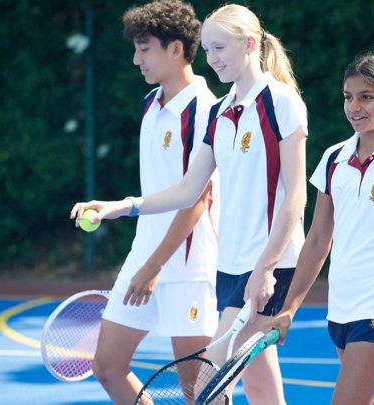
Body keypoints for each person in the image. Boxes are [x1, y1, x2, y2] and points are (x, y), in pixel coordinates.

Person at [72, 4, 307, 404]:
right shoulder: (221, 110)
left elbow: (296, 196)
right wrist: (121, 206)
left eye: (220, 48)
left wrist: (266, 268)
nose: (212, 58)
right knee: (259, 386)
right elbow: (186, 189)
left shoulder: (280, 102)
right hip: (229, 265)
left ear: (250, 44)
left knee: (205, 389)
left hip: (268, 266)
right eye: (210, 49)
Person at [266, 51, 374, 405]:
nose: (354, 107)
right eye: (349, 97)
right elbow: (317, 240)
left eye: (367, 97)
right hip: (342, 307)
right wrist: (288, 308)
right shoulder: (334, 159)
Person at [85, 1, 220, 404]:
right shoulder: (150, 104)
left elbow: (197, 200)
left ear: (175, 49)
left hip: (189, 265)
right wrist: (144, 257)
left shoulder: (206, 111)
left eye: (144, 48)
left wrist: (155, 266)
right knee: (107, 367)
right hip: (144, 256)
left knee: (199, 392)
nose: (135, 59)